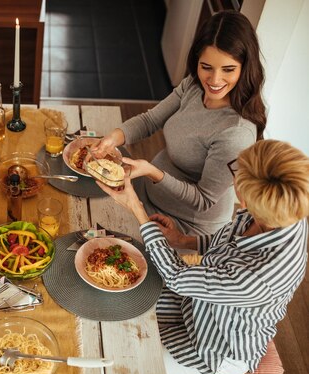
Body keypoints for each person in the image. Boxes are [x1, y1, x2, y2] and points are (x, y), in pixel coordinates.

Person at [97, 139, 309, 374]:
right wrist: (183, 240)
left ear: (249, 203)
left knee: (116, 369)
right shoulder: (284, 211)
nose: (233, 178)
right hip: (193, 303)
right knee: (112, 300)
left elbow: (176, 277)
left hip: (215, 347)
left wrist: (137, 208)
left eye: (237, 177)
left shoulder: (260, 278)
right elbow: (227, 243)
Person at [91, 10, 266, 236]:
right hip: (147, 192)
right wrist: (114, 137)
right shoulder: (194, 86)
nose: (214, 80)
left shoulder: (236, 133)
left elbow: (203, 200)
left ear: (245, 67)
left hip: (184, 227)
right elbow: (151, 119)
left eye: (228, 69)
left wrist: (153, 172)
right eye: (206, 67)